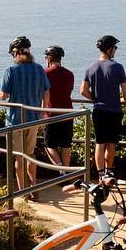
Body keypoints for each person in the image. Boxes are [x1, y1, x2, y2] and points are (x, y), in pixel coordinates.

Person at [0, 35, 49, 190]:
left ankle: (23, 191)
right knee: (31, 155)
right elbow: (46, 93)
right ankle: (33, 188)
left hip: (16, 121)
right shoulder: (39, 69)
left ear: (15, 52)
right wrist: (41, 114)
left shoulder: (11, 71)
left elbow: (4, 96)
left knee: (19, 158)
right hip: (34, 119)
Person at [80, 34, 126, 179]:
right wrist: (122, 99)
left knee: (99, 143)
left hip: (99, 110)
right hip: (114, 110)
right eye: (115, 47)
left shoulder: (91, 68)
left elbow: (83, 90)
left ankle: (101, 174)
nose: (115, 50)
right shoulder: (117, 67)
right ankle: (110, 172)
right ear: (109, 49)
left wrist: (95, 99)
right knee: (111, 143)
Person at [41, 44, 75, 173]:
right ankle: (65, 173)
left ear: (49, 58)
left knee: (49, 145)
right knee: (65, 146)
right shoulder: (69, 74)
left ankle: (61, 171)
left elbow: (41, 92)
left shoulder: (44, 73)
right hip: (67, 113)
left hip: (51, 114)